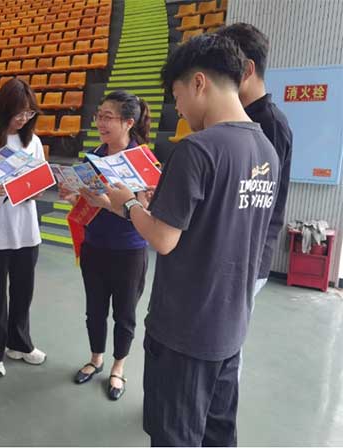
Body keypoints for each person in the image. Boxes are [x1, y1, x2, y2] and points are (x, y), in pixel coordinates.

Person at [104, 34, 280, 445]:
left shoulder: (197, 150)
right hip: (230, 328)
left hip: (184, 331)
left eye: (178, 96)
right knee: (217, 436)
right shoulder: (266, 150)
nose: (179, 109)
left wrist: (127, 204)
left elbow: (163, 239)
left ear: (199, 82)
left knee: (175, 437)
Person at [59, 90, 155, 401]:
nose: (100, 123)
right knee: (95, 310)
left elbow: (146, 214)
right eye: (99, 116)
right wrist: (72, 195)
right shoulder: (93, 156)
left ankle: (118, 367)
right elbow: (82, 200)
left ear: (129, 122)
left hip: (129, 249)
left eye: (108, 117)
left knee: (124, 314)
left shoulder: (142, 162)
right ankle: (96, 358)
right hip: (94, 245)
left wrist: (106, 204)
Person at [0, 78, 46, 378]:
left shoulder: (33, 142)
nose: (23, 119)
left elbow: (40, 182)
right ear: (3, 109)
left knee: (23, 292)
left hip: (26, 230)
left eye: (29, 113)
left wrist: (33, 188)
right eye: (19, 113)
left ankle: (19, 343)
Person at [216, 23, 293, 296]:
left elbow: (256, 197)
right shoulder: (239, 117)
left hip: (247, 257)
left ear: (247, 70)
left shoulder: (270, 124)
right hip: (228, 253)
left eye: (221, 70)